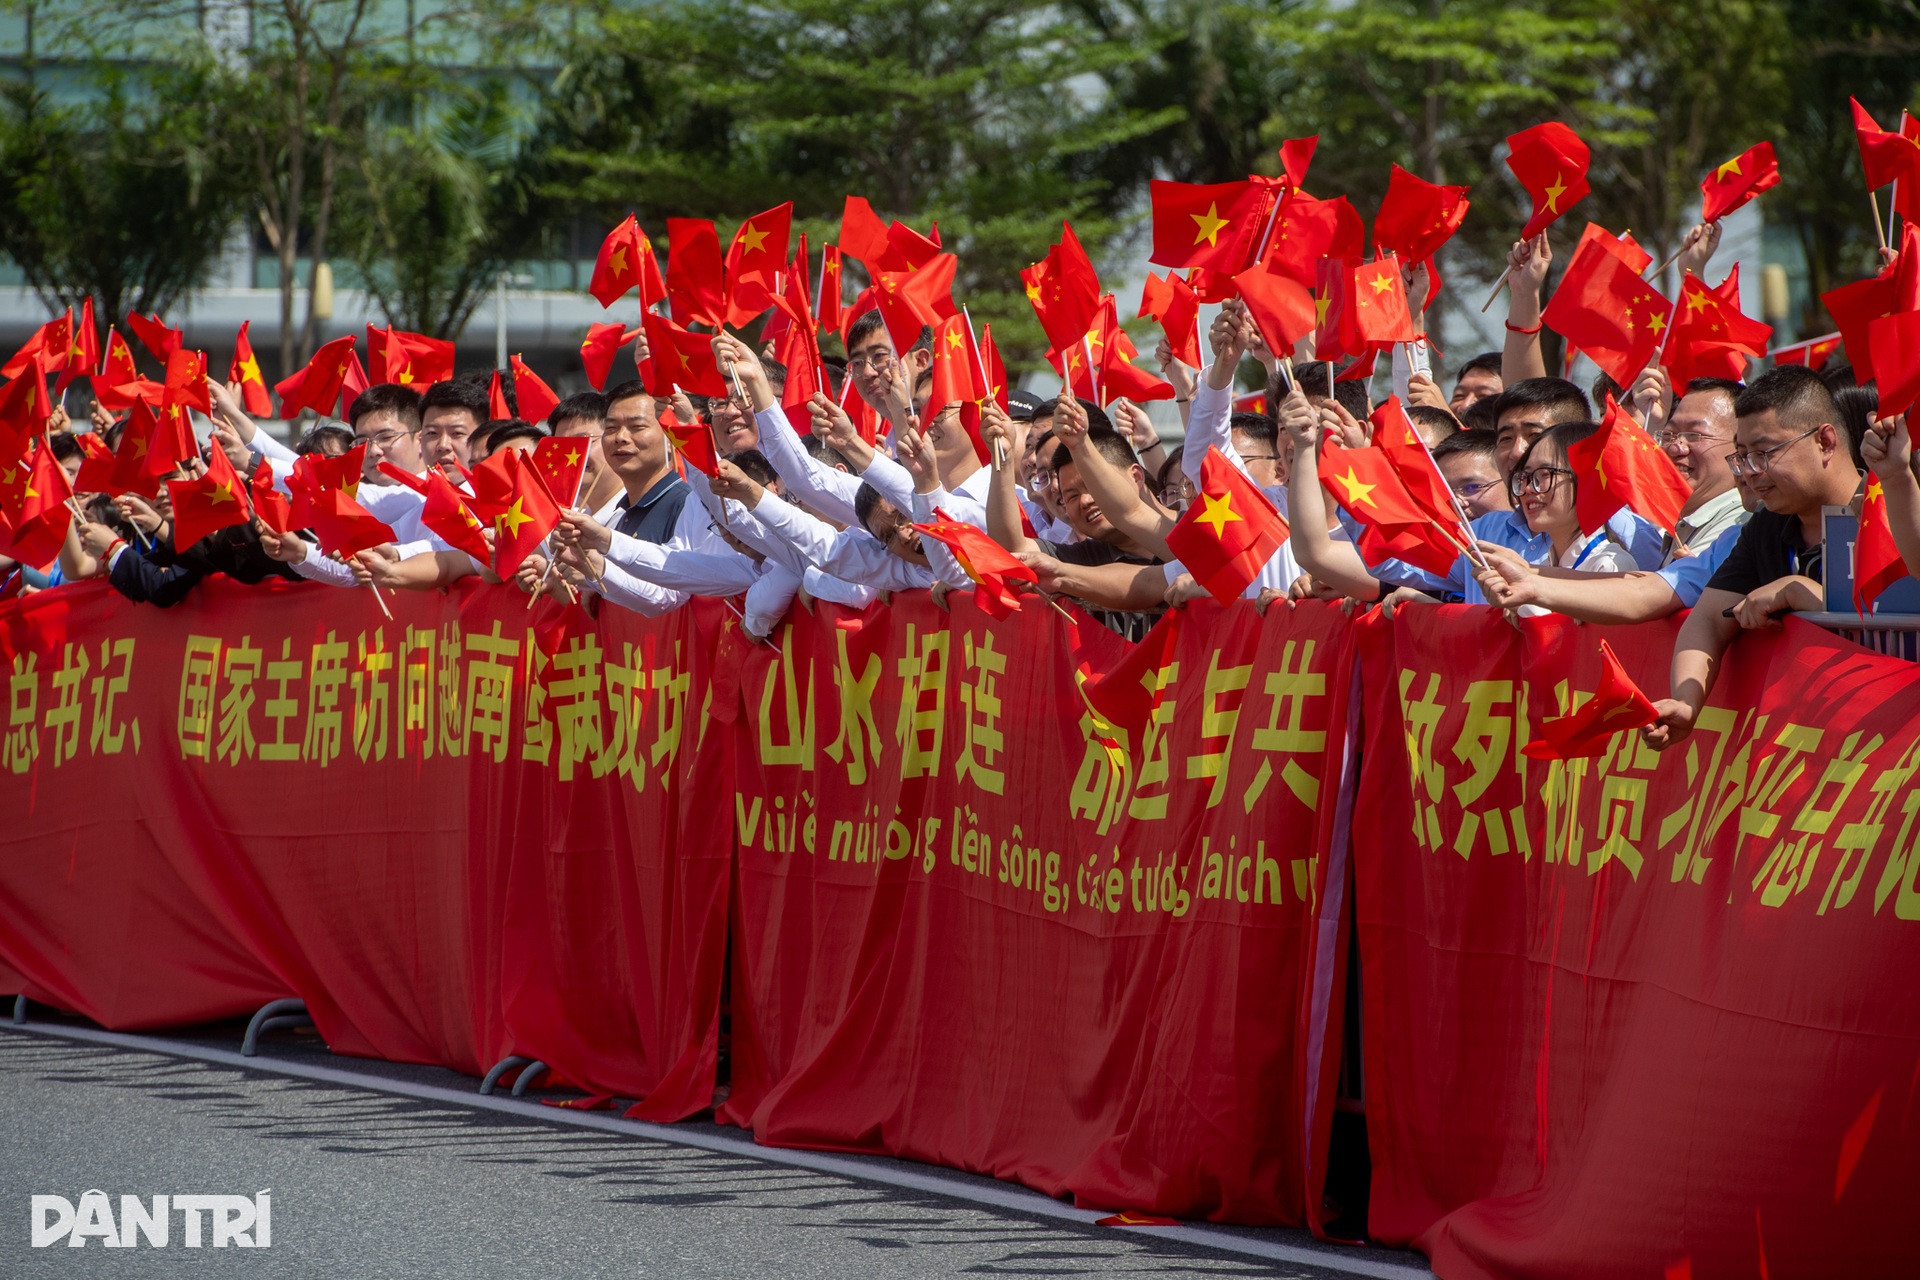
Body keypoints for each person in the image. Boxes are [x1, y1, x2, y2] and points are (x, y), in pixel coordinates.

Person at [1644, 367, 1864, 751]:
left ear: (1825, 441)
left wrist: (1807, 594)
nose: (1749, 473)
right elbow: (1710, 618)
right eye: (1741, 457)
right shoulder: (1765, 525)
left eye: (1763, 454)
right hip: (1803, 760)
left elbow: (1889, 634)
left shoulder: (1888, 512)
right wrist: (1686, 701)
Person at [418, 375, 491, 479]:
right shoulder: (404, 494)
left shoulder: (508, 493)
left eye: (457, 433)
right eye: (432, 433)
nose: (443, 445)